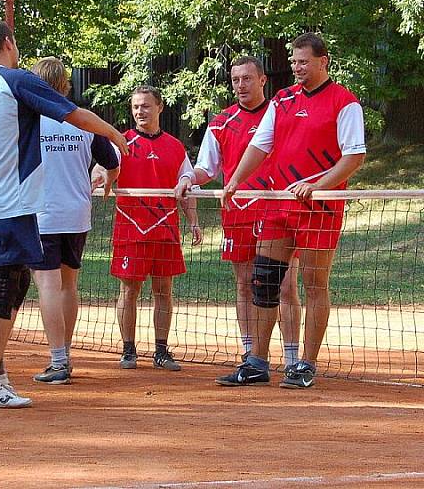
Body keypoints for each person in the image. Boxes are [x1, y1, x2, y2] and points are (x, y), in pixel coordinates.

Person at [0, 18, 128, 408]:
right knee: (3, 289)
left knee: (17, 283)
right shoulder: (16, 79)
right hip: (11, 204)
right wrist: (113, 134)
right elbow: (73, 114)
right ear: (7, 43)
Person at [219, 33, 366, 388]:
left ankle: (305, 365)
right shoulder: (282, 100)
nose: (297, 69)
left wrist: (318, 187)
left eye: (303, 62)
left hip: (320, 209)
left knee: (314, 284)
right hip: (280, 204)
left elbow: (354, 157)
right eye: (294, 63)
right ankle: (256, 362)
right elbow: (260, 145)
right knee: (265, 279)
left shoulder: (344, 102)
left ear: (322, 61)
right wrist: (236, 179)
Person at [174, 56, 302, 369]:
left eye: (247, 78)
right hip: (238, 213)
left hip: (278, 212)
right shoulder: (221, 122)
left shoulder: (282, 115)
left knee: (285, 286)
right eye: (235, 80)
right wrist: (189, 178)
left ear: (262, 81)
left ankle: (291, 357)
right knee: (246, 284)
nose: (241, 85)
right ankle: (251, 353)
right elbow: (206, 167)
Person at [28, 57, 120, 385]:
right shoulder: (82, 121)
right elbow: (112, 160)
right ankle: (64, 353)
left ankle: (57, 361)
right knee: (69, 285)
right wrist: (108, 181)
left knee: (48, 286)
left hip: (43, 214)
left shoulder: (31, 120)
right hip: (77, 214)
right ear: (65, 84)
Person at [110, 85, 202, 371]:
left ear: (160, 107)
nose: (140, 111)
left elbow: (187, 183)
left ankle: (161, 350)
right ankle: (128, 350)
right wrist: (100, 175)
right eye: (136, 106)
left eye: (146, 106)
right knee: (130, 290)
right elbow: (105, 167)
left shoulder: (175, 147)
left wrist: (194, 222)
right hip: (131, 228)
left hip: (165, 229)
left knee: (163, 290)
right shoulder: (121, 142)